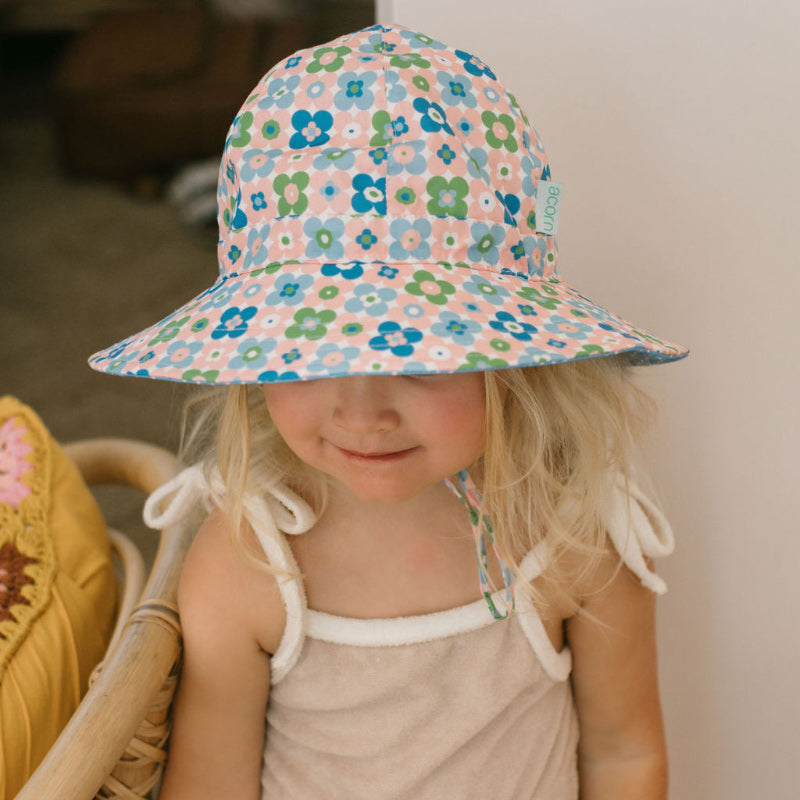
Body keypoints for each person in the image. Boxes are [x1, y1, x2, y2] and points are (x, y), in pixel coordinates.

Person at [89, 22, 688, 800]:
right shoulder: (249, 563)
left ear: (515, 362)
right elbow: (210, 785)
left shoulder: (570, 537)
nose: (364, 413)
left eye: (418, 358)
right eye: (314, 356)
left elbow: (622, 754)